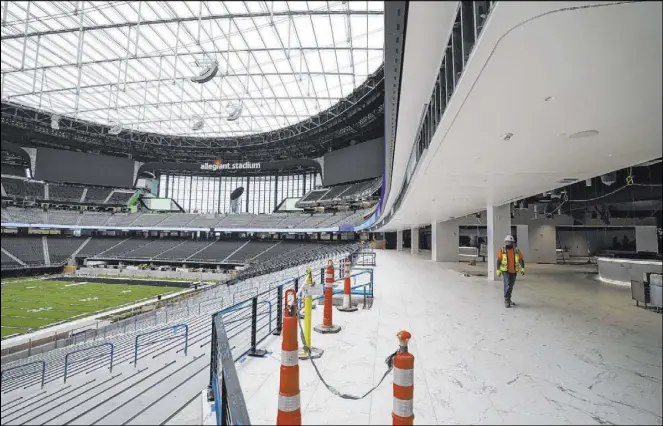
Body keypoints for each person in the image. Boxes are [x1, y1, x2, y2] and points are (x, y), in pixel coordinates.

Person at [496, 235, 525, 308]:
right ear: (505, 242)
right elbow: (499, 260)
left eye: (510, 242)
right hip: (505, 271)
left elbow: (521, 259)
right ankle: (506, 300)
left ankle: (509, 299)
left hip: (514, 271)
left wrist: (522, 268)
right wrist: (498, 269)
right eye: (507, 242)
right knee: (507, 285)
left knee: (511, 286)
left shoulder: (516, 250)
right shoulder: (502, 250)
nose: (508, 243)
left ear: (513, 243)